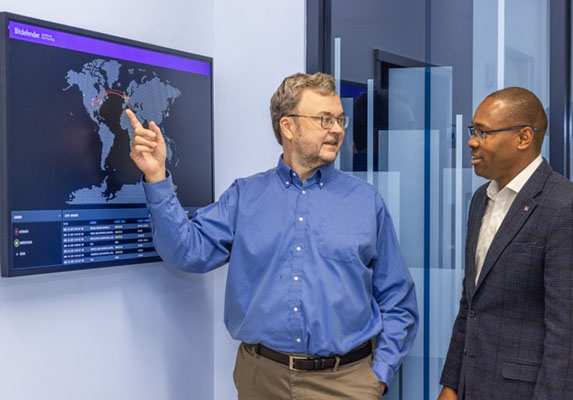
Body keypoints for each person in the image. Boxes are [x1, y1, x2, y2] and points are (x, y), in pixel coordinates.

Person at [126, 72, 418, 399]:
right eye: (324, 119)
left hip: (345, 383)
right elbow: (187, 252)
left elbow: (398, 299)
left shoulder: (366, 202)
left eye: (339, 119)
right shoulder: (244, 197)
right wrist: (156, 176)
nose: (337, 129)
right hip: (261, 380)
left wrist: (378, 375)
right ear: (288, 126)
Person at [438, 87, 573, 400]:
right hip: (474, 386)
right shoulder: (480, 200)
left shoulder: (566, 208)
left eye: (483, 132)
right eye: (474, 130)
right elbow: (470, 304)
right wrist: (452, 383)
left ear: (523, 138)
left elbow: (569, 337)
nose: (472, 141)